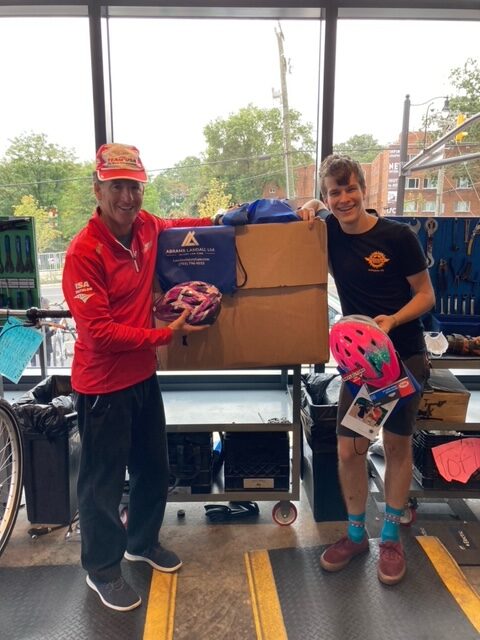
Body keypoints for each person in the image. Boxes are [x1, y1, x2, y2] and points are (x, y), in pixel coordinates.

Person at [62, 143, 214, 612]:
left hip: (143, 377)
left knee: (154, 468)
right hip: (103, 383)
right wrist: (163, 335)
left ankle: (141, 543)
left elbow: (194, 229)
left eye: (134, 186)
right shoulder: (84, 253)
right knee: (101, 484)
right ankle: (103, 569)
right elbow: (99, 332)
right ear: (98, 188)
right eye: (117, 187)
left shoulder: (147, 229)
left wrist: (250, 214)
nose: (128, 197)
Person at [298, 154, 435, 586]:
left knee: (395, 447)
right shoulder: (329, 236)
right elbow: (283, 215)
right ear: (326, 197)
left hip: (402, 359)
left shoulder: (397, 237)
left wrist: (392, 320)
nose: (344, 198)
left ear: (364, 190)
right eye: (334, 192)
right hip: (360, 365)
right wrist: (306, 206)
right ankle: (356, 535)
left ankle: (390, 538)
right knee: (347, 449)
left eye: (350, 188)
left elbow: (427, 296)